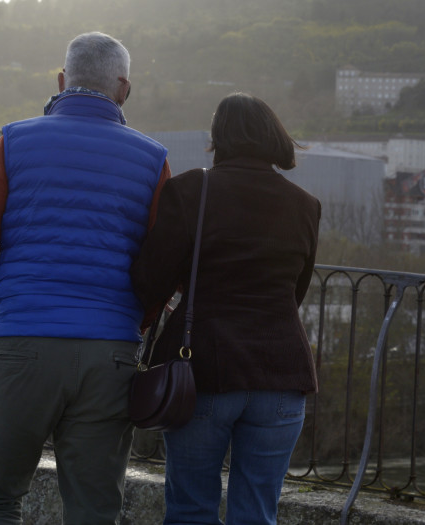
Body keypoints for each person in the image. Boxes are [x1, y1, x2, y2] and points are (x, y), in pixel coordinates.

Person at [0, 31, 171, 524]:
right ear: (124, 88)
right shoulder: (152, 158)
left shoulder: (14, 141)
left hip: (21, 342)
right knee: (94, 509)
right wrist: (136, 322)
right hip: (110, 353)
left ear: (61, 81)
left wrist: (2, 307)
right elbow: (162, 265)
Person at [131, 92, 321, 525]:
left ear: (219, 137)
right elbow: (295, 293)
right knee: (257, 514)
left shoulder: (191, 190)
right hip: (283, 374)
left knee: (191, 510)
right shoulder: (305, 205)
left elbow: (150, 282)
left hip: (203, 372)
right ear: (274, 136)